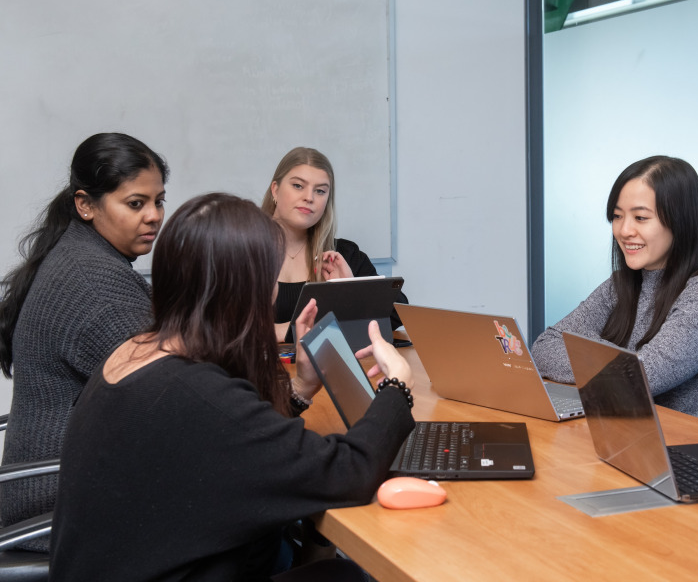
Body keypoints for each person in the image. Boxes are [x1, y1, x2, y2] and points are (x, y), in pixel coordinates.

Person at [49, 193, 417, 580]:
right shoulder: (196, 394)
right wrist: (396, 389)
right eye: (270, 280)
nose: (274, 293)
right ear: (244, 290)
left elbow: (240, 443)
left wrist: (303, 387)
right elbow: (350, 472)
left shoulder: (137, 352)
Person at [0, 132, 167, 552]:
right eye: (136, 203)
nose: (154, 216)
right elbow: (175, 392)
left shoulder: (80, 253)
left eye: (158, 201)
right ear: (86, 205)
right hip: (59, 507)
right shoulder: (95, 283)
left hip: (56, 488)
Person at [531, 156, 698, 430]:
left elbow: (642, 377)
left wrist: (591, 349)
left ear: (679, 222)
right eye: (617, 216)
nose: (624, 230)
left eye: (641, 218)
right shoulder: (621, 284)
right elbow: (543, 348)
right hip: (637, 440)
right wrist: (625, 360)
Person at [261, 147, 408, 342]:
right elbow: (217, 328)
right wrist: (289, 330)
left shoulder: (342, 254)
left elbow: (398, 314)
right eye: (298, 186)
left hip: (326, 370)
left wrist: (352, 288)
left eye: (320, 191)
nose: (309, 197)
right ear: (275, 190)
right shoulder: (240, 253)